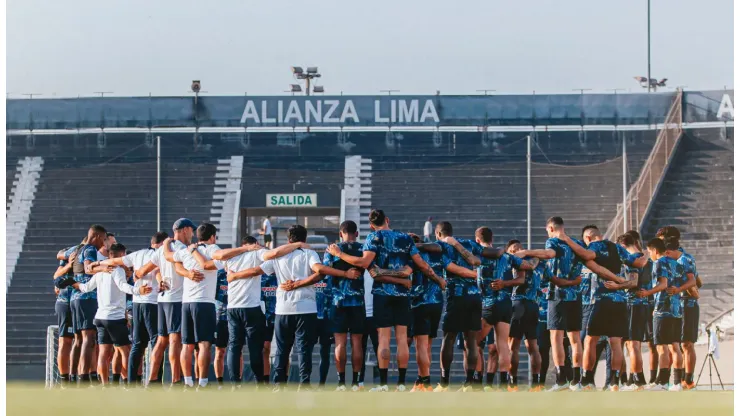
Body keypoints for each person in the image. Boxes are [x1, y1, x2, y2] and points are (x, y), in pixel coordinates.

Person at [226, 225, 361, 390]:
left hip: (283, 309)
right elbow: (320, 271)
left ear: (288, 239)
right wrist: (345, 274)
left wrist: (234, 276)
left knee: (282, 350)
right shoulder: (308, 253)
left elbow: (256, 271)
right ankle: (304, 384)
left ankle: (278, 385)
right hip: (306, 308)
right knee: (304, 350)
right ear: (304, 239)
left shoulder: (278, 256)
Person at [326, 210, 443, 392]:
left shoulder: (374, 236)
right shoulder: (405, 238)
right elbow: (421, 264)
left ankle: (382, 384)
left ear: (372, 225)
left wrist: (340, 254)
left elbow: (364, 263)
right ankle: (402, 383)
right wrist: (438, 279)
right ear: (388, 220)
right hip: (403, 295)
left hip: (382, 293)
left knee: (384, 340)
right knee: (402, 339)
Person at [560, 225, 645, 391]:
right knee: (615, 343)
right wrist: (647, 253)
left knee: (590, 340)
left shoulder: (595, 246)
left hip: (602, 300)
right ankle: (614, 382)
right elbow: (637, 262)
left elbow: (586, 255)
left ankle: (586, 380)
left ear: (589, 238)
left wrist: (566, 239)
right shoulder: (617, 249)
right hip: (620, 301)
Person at [62, 243, 153, 387]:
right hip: (114, 317)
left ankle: (104, 386)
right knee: (126, 351)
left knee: (104, 352)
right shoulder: (117, 269)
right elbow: (123, 286)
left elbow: (85, 288)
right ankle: (129, 382)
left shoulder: (100, 271)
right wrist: (138, 291)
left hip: (100, 317)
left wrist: (73, 283)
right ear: (121, 255)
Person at [100, 231, 168, 386]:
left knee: (138, 344)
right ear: (163, 243)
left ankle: (131, 383)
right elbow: (157, 271)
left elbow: (116, 260)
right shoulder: (161, 254)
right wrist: (161, 281)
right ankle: (155, 380)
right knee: (157, 342)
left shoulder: (137, 254)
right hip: (153, 302)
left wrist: (98, 264)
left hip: (137, 303)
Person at [135, 218, 196, 387]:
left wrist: (156, 278)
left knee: (162, 341)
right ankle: (176, 381)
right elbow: (178, 268)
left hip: (162, 300)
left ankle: (153, 379)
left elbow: (145, 270)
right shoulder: (182, 249)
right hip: (176, 300)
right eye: (191, 230)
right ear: (184, 230)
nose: (192, 234)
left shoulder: (162, 249)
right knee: (175, 341)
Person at [163, 223, 223, 390]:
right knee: (204, 344)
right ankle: (202, 383)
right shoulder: (211, 249)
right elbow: (220, 257)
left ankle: (188, 382)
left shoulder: (186, 251)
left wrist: (167, 242)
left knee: (187, 345)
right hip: (204, 303)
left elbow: (168, 256)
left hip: (186, 303)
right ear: (212, 237)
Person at [475, 227, 534, 391]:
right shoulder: (508, 257)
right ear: (492, 238)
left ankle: (476, 382)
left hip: (488, 304)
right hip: (506, 304)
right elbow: (523, 275)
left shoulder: (479, 254)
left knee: (473, 342)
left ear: (478, 240)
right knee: (502, 344)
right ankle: (502, 384)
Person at [322, 221, 366, 392]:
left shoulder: (332, 249)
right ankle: (355, 383)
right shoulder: (363, 249)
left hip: (338, 301)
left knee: (340, 343)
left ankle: (341, 383)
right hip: (358, 302)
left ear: (341, 233)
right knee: (357, 342)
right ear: (356, 233)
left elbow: (324, 271)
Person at [658, 227, 700, 390]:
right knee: (671, 344)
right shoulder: (662, 259)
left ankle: (688, 380)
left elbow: (695, 280)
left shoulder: (684, 258)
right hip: (670, 306)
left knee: (687, 344)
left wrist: (687, 289)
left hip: (687, 305)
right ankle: (671, 380)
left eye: (661, 239)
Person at [639, 238, 683, 391]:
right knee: (675, 346)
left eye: (649, 251)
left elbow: (663, 284)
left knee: (662, 347)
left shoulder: (658, 263)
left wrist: (647, 293)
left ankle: (662, 382)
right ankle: (677, 382)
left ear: (655, 251)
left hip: (663, 309)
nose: (649, 254)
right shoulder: (675, 263)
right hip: (677, 309)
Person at [69, 224, 109, 386]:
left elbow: (61, 255)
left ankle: (72, 377)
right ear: (98, 237)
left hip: (74, 297)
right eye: (104, 239)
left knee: (78, 339)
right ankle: (84, 378)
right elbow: (88, 268)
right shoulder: (91, 249)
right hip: (87, 297)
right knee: (89, 338)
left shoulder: (78, 248)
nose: (104, 244)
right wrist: (107, 267)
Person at [408, 234, 446, 392]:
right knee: (428, 346)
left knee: (421, 346)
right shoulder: (436, 254)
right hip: (437, 302)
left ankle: (425, 382)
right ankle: (421, 379)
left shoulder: (413, 257)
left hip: (420, 303)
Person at [506, 240, 544, 391]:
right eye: (514, 249)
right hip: (533, 305)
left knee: (513, 347)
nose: (517, 251)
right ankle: (536, 384)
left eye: (519, 248)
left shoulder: (511, 262)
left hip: (518, 304)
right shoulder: (535, 263)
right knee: (533, 347)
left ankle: (512, 384)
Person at [618, 233, 652, 391]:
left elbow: (633, 282)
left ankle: (636, 381)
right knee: (633, 343)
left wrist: (616, 284)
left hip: (632, 303)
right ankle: (635, 379)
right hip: (643, 304)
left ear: (623, 246)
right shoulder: (647, 259)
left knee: (632, 344)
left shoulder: (632, 260)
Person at [52, 242, 84, 386]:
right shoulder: (72, 253)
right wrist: (68, 266)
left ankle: (80, 376)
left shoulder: (98, 255)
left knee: (84, 341)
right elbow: (56, 275)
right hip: (66, 301)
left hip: (82, 302)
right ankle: (65, 381)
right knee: (65, 341)